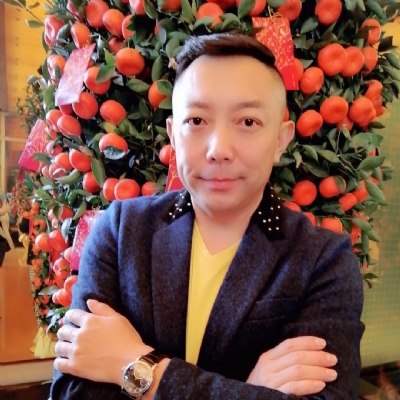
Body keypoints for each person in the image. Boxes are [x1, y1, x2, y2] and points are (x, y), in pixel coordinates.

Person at [50, 33, 364, 399]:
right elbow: (73, 391)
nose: (219, 149)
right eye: (197, 120)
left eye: (248, 122)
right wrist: (249, 391)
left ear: (281, 140)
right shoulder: (121, 231)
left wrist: (136, 365)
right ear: (173, 135)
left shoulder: (323, 260)